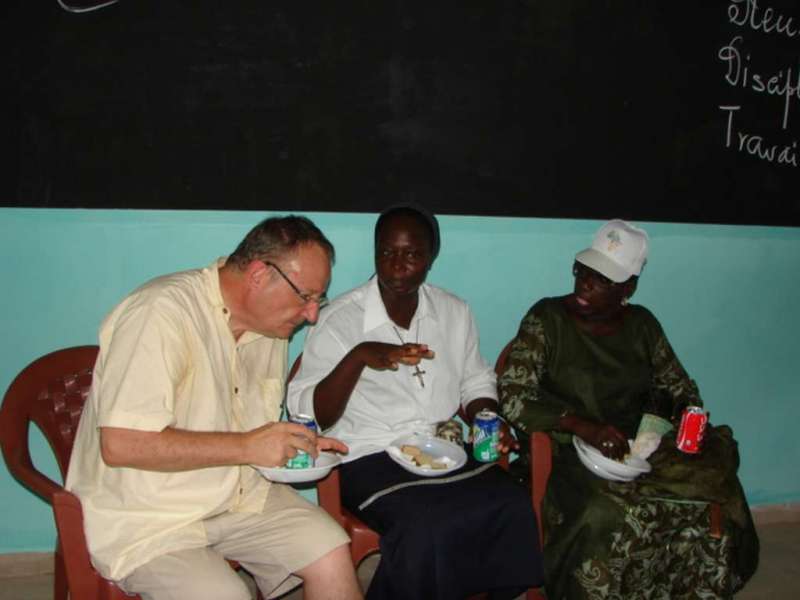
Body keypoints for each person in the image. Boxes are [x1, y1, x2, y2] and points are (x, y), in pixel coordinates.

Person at [66, 216, 363, 600]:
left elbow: (246, 433)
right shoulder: (160, 312)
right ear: (258, 275)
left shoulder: (270, 326)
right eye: (305, 296)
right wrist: (247, 446)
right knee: (225, 594)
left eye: (317, 300)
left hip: (237, 496)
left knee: (331, 549)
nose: (312, 315)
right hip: (150, 515)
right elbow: (121, 444)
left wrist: (293, 445)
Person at [287, 203, 544, 600]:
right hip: (368, 455)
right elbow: (306, 413)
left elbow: (475, 380)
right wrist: (357, 357)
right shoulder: (339, 319)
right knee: (426, 525)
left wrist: (487, 416)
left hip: (443, 447)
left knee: (511, 503)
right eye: (387, 253)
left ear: (431, 258)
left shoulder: (453, 312)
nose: (396, 266)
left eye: (412, 255)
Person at [498, 219, 760, 600]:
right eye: (585, 270)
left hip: (641, 452)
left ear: (629, 287)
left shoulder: (642, 326)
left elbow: (683, 391)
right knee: (604, 513)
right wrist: (581, 426)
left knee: (710, 494)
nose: (586, 283)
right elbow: (514, 394)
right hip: (570, 454)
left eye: (604, 278)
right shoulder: (547, 319)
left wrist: (670, 428)